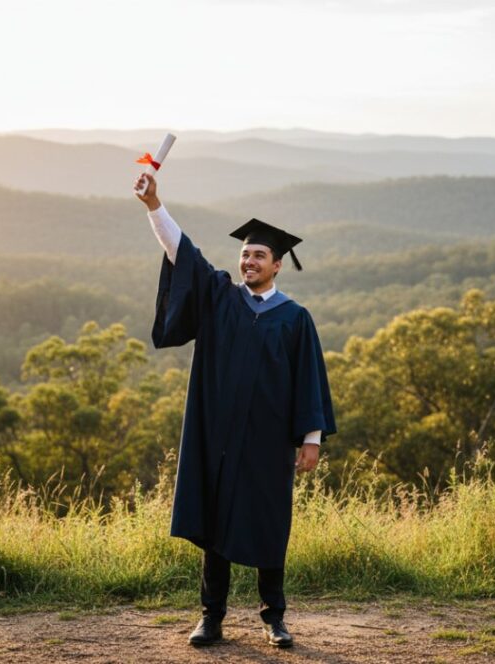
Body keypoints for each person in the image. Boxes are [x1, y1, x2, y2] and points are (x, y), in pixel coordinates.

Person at [134, 172, 336, 649]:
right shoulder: (221, 298)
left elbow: (308, 379)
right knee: (214, 522)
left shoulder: (294, 318)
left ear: (277, 265)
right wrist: (154, 205)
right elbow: (181, 252)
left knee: (269, 523)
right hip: (219, 437)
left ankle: (274, 617)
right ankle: (211, 616)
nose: (249, 261)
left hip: (268, 442)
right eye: (245, 254)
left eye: (259, 255)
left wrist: (310, 440)